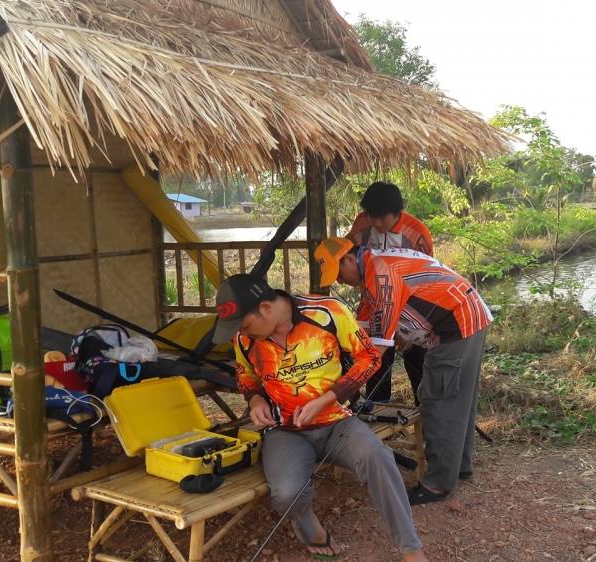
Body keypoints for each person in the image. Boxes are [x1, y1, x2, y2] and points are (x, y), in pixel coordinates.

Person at [211, 274, 427, 561]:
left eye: (246, 325)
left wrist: (328, 398)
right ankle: (310, 528)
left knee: (379, 458)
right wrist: (255, 399)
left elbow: (370, 357)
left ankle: (411, 550)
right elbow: (244, 373)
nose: (243, 333)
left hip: (337, 422)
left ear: (265, 308)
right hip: (285, 430)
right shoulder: (244, 338)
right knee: (286, 493)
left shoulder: (327, 312)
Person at [313, 238, 492, 505]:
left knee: (437, 399)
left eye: (338, 272)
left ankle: (438, 484)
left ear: (349, 258)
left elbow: (377, 349)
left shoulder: (381, 273)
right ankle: (458, 468)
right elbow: (363, 325)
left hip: (455, 325)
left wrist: (342, 387)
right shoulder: (374, 268)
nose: (340, 281)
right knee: (457, 398)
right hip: (468, 317)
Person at [344, 181, 432, 405]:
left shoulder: (417, 232)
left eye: (382, 218)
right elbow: (346, 260)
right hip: (374, 304)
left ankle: (423, 412)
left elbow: (424, 280)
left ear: (397, 213)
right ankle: (378, 411)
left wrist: (405, 328)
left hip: (410, 310)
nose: (376, 222)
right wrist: (347, 243)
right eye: (372, 216)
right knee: (377, 360)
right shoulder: (363, 223)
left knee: (417, 361)